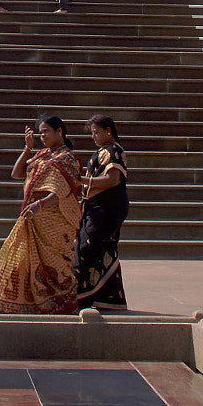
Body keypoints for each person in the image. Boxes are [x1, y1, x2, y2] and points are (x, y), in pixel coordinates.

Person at [0, 114, 83, 314]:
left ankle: (59, 305)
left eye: (46, 132)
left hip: (55, 221)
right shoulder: (42, 154)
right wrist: (28, 148)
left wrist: (40, 205)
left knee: (55, 266)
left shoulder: (67, 158)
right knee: (24, 260)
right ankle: (26, 304)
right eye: (40, 133)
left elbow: (60, 191)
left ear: (59, 132)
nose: (43, 136)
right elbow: (17, 174)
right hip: (33, 218)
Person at [74, 115, 129, 311]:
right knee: (102, 249)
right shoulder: (103, 151)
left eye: (97, 132)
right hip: (97, 208)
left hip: (106, 209)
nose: (94, 137)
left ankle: (85, 298)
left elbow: (111, 180)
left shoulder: (113, 151)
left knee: (87, 249)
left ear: (108, 131)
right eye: (92, 133)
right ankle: (109, 300)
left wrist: (81, 181)